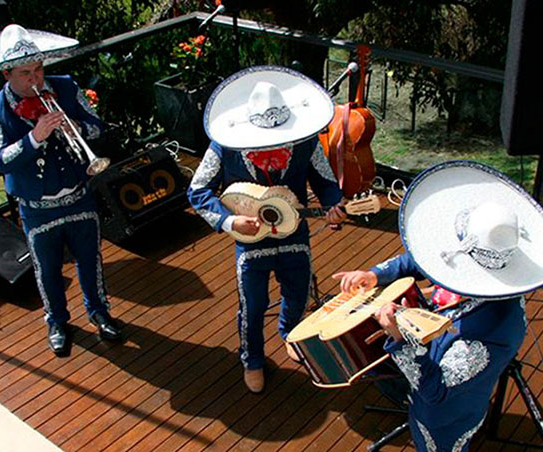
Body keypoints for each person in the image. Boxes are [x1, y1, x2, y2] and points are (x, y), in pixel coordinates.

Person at [333, 160, 543, 452]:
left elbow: (437, 392)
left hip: (444, 418)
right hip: (432, 347)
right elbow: (421, 261)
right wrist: (374, 274)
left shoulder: (494, 331)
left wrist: (398, 339)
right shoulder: (476, 265)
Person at [0, 24, 122, 356]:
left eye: (38, 70)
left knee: (90, 259)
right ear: (6, 74)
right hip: (37, 206)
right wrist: (35, 138)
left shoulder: (64, 87)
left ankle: (99, 311)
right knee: (46, 269)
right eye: (24, 74)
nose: (35, 80)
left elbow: (98, 126)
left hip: (78, 194)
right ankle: (57, 322)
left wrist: (79, 127)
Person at [188, 66, 348, 393]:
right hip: (250, 241)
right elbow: (198, 189)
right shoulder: (224, 146)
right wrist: (229, 221)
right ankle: (253, 359)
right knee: (253, 303)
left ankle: (291, 333)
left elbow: (326, 181)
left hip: (295, 234)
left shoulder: (306, 143)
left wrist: (335, 205)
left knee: (299, 291)